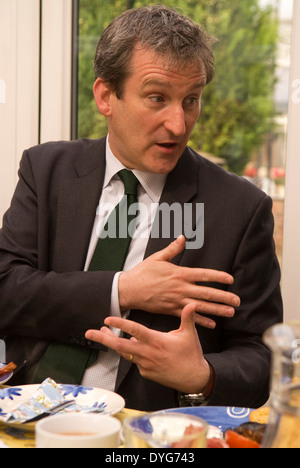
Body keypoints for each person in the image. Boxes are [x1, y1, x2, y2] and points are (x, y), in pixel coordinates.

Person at [0, 5, 282, 412]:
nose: (178, 124)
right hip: (28, 416)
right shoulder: (45, 172)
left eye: (191, 100)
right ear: (105, 96)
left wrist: (202, 376)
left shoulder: (240, 209)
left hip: (146, 432)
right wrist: (123, 289)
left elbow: (260, 358)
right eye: (157, 98)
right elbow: (7, 291)